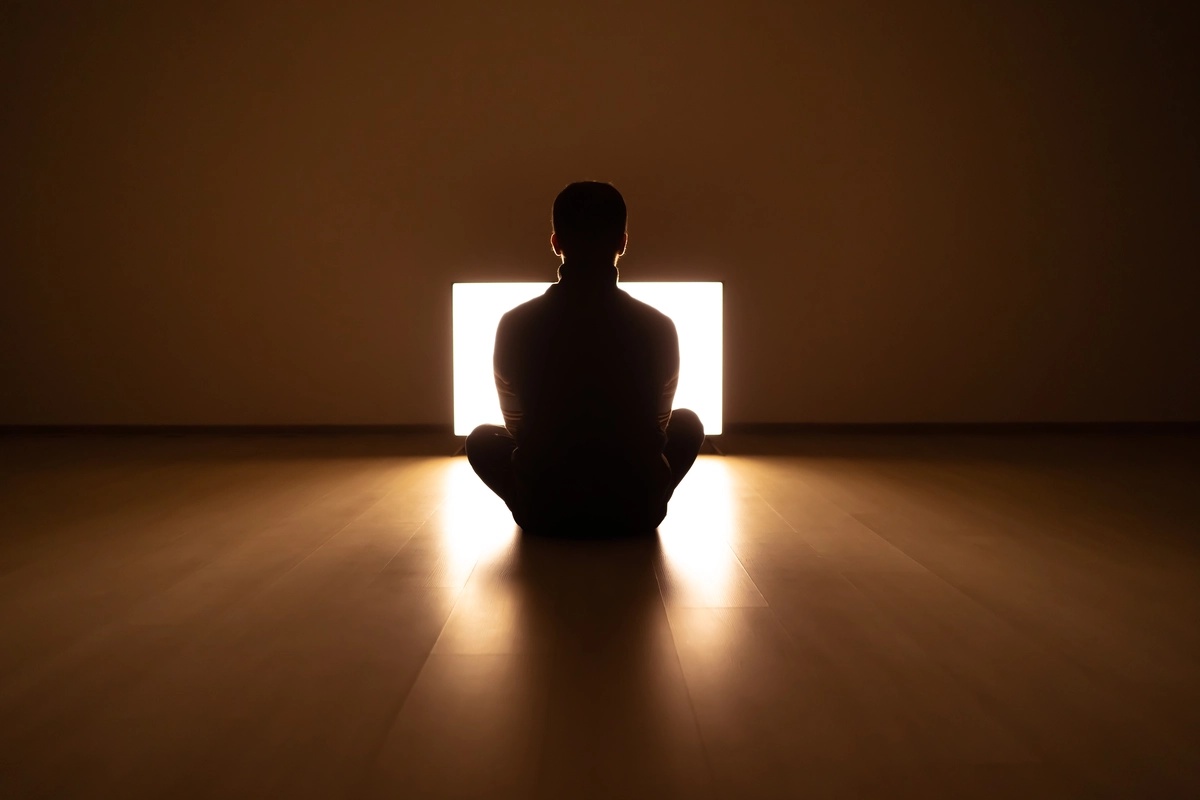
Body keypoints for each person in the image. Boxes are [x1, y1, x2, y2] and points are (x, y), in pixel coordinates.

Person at [466, 181, 705, 535]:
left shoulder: (515, 322)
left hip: (544, 511)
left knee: (481, 439)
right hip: (636, 511)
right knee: (688, 424)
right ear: (623, 242)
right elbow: (658, 426)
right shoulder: (659, 325)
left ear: (555, 242)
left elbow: (518, 427)